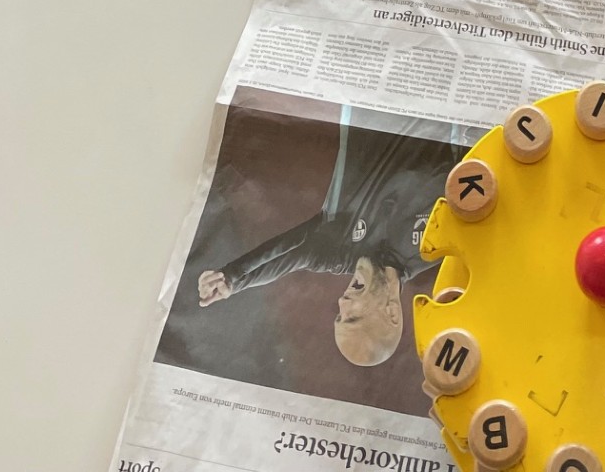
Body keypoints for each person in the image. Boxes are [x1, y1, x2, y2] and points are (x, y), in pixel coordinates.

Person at [196, 109, 459, 368]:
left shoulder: (343, 252)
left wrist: (233, 278)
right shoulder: (439, 246)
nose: (342, 303)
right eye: (352, 317)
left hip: (373, 98)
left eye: (339, 316)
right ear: (391, 311)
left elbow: (294, 256)